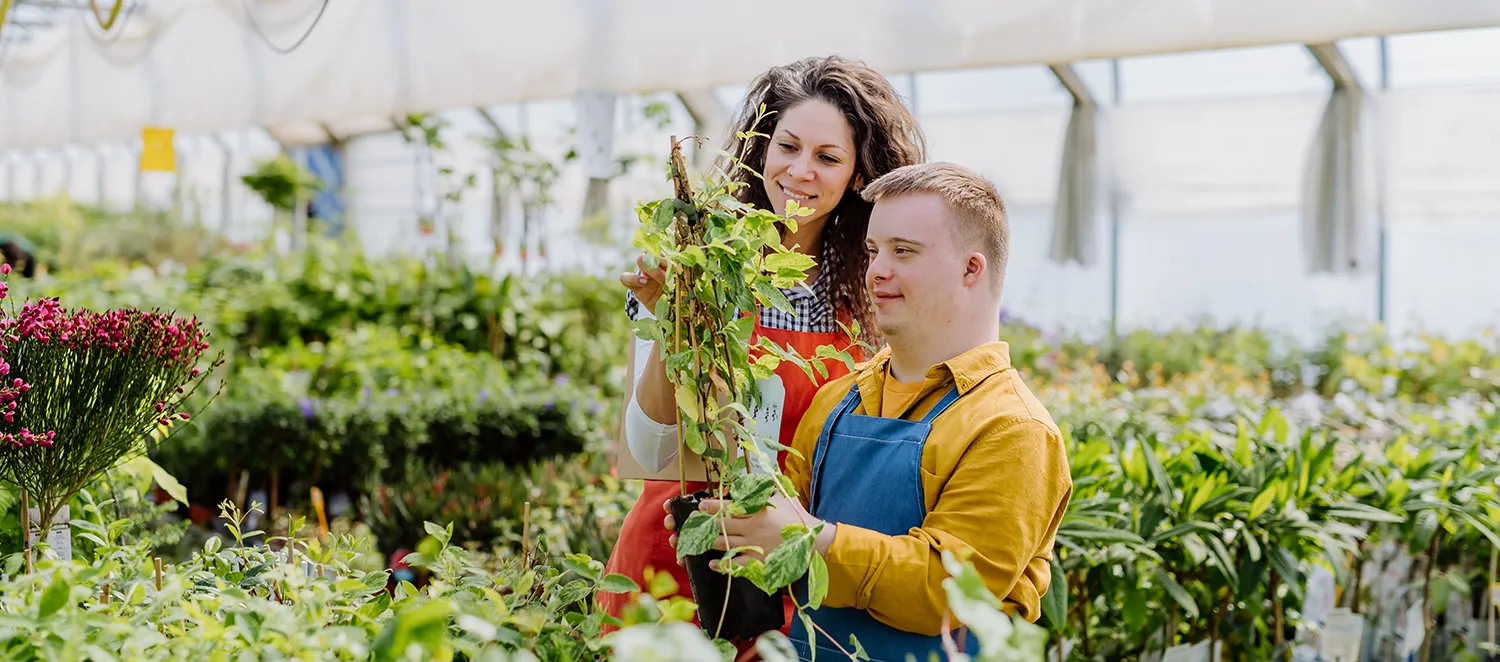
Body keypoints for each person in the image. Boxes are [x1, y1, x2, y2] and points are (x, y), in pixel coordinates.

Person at [665, 162, 1073, 662]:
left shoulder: (1012, 429)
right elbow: (781, 519)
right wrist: (732, 528)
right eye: (875, 250)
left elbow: (948, 590)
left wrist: (805, 541)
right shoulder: (839, 399)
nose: (877, 269)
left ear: (972, 269)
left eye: (904, 251)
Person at [600, 55, 927, 642]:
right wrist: (675, 315)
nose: (801, 171)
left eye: (827, 158)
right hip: (672, 557)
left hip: (786, 578)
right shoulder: (700, 263)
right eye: (788, 147)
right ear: (762, 149)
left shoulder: (870, 300)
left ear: (857, 176)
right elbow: (650, 449)